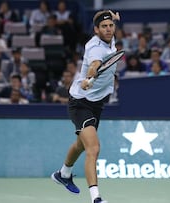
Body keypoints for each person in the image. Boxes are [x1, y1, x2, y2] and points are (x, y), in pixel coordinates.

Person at [51, 10, 120, 203]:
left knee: (81, 145)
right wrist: (91, 74)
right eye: (104, 27)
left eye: (111, 26)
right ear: (96, 30)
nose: (108, 29)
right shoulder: (95, 48)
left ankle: (63, 174)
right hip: (81, 103)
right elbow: (94, 64)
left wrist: (110, 16)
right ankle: (96, 198)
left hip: (96, 103)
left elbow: (104, 19)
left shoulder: (109, 36)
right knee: (94, 148)